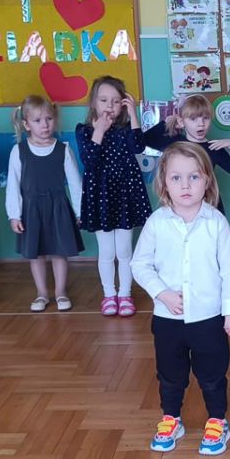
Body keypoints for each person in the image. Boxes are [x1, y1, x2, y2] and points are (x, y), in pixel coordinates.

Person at [131, 142, 230, 456]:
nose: (185, 185)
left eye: (193, 177)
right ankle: (171, 418)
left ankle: (217, 420)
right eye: (176, 178)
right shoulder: (157, 222)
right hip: (167, 318)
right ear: (164, 182)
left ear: (206, 180)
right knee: (170, 374)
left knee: (212, 374)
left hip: (208, 318)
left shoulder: (216, 222)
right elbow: (140, 264)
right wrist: (162, 293)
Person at [76, 76, 150, 317]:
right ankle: (109, 294)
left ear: (123, 105)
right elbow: (89, 159)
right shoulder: (85, 130)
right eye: (104, 100)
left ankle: (125, 294)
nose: (110, 105)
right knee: (107, 252)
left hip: (126, 195)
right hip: (102, 197)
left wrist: (134, 115)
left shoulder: (125, 130)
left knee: (125, 250)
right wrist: (99, 130)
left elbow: (139, 147)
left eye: (116, 101)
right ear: (93, 103)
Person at [6, 95, 84, 313]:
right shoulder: (19, 151)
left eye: (49, 119)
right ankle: (42, 292)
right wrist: (14, 214)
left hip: (58, 209)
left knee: (59, 252)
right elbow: (13, 184)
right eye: (38, 120)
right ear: (26, 124)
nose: (45, 125)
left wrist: (80, 212)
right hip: (31, 210)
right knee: (37, 253)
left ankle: (60, 292)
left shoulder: (63, 149)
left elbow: (75, 183)